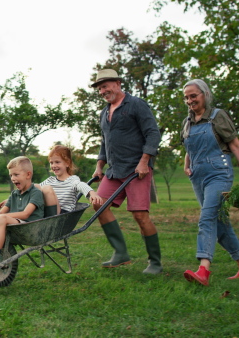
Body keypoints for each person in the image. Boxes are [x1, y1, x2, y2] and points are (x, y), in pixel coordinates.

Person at [181, 79, 239, 286]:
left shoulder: (218, 116)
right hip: (197, 176)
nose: (190, 100)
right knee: (219, 221)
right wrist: (187, 164)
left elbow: (235, 145)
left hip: (219, 172)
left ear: (205, 95)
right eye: (187, 97)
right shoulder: (187, 121)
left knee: (207, 217)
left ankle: (203, 270)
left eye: (194, 96)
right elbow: (188, 148)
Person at [90, 69, 163, 274]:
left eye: (106, 85)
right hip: (115, 170)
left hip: (136, 169)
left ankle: (155, 262)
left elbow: (152, 133)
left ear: (118, 83)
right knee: (98, 204)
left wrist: (144, 161)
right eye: (100, 88)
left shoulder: (136, 105)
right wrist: (99, 166)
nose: (103, 91)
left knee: (140, 215)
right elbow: (105, 142)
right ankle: (120, 253)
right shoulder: (104, 113)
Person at [0, 145, 104, 214]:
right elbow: (32, 189)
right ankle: (12, 207)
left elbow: (81, 185)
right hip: (47, 210)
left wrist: (92, 193)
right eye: (51, 163)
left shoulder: (72, 180)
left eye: (57, 162)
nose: (54, 165)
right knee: (36, 187)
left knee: (44, 188)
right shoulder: (50, 180)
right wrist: (11, 200)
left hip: (62, 214)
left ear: (67, 163)